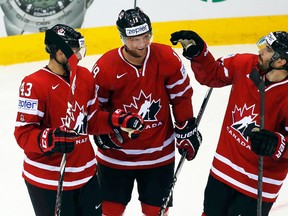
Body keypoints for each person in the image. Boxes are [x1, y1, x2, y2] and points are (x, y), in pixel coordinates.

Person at [14, 24, 144, 216]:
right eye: (75, 52)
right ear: (59, 53)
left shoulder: (84, 77)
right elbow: (23, 134)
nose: (80, 57)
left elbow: (91, 121)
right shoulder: (34, 84)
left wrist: (117, 120)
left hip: (87, 175)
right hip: (49, 180)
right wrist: (50, 139)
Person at [91, 7, 202, 216]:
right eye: (134, 40)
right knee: (109, 211)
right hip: (116, 156)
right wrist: (102, 133)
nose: (141, 45)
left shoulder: (167, 57)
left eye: (146, 37)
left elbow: (181, 97)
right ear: (122, 38)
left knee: (156, 212)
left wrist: (186, 128)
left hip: (159, 155)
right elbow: (94, 110)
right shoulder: (105, 67)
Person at [170, 30, 288, 215]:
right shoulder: (244, 64)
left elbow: (282, 144)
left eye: (268, 50)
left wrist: (277, 144)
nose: (261, 51)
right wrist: (200, 54)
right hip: (224, 168)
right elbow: (212, 75)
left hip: (260, 183)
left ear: (280, 62)